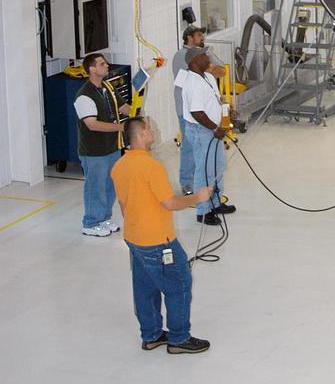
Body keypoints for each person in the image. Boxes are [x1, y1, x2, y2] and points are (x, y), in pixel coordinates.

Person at [111, 116, 212, 354]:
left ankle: (152, 335)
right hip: (158, 242)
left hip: (134, 238)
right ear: (142, 134)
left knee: (145, 288)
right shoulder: (151, 167)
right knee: (180, 284)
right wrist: (199, 197)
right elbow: (170, 203)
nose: (153, 129)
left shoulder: (119, 166)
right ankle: (178, 338)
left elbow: (124, 205)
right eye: (149, 127)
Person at [74, 52, 131, 237]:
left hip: (111, 147)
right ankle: (91, 222)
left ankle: (104, 217)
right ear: (91, 69)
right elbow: (92, 124)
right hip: (94, 151)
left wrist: (136, 116)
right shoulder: (84, 95)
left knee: (109, 185)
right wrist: (121, 127)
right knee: (95, 186)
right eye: (101, 64)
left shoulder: (107, 87)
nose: (106, 66)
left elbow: (123, 107)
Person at [181, 49, 235, 226]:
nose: (208, 58)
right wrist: (214, 128)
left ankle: (216, 203)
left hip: (213, 129)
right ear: (195, 60)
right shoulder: (192, 82)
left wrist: (227, 112)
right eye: (204, 56)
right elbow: (196, 112)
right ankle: (203, 211)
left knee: (218, 165)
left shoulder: (208, 77)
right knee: (204, 170)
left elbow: (217, 100)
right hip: (201, 130)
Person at [172, 26, 225, 195]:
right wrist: (209, 66)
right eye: (198, 34)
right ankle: (187, 182)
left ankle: (204, 184)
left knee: (207, 153)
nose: (202, 37)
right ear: (189, 37)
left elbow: (221, 71)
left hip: (205, 111)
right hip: (188, 111)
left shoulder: (201, 54)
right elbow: (209, 70)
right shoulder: (183, 56)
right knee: (189, 147)